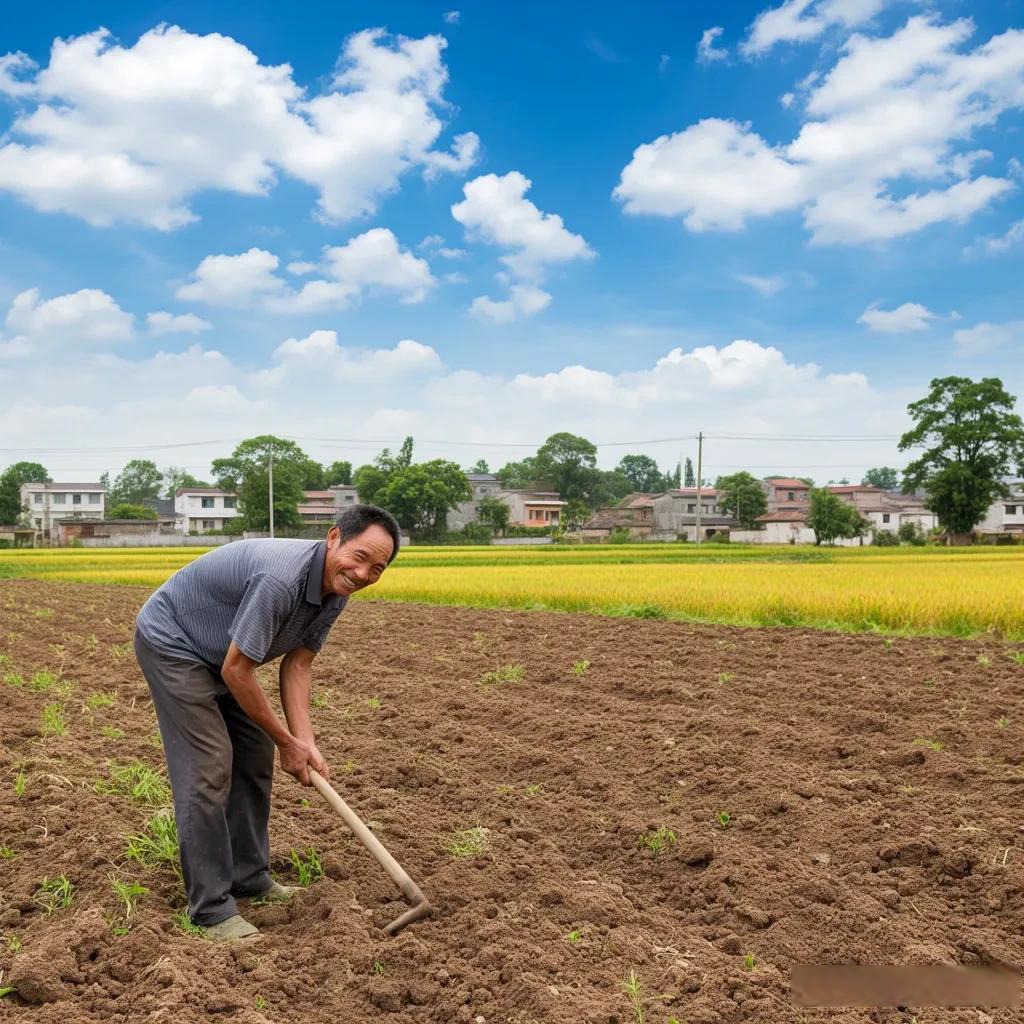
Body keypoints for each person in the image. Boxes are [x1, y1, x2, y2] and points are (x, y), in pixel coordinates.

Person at [133, 503, 400, 941]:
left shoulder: (336, 590)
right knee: (209, 769)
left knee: (254, 756)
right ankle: (212, 909)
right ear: (334, 538)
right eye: (360, 557)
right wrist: (286, 742)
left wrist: (303, 742)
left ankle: (250, 877)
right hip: (176, 644)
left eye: (378, 568)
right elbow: (238, 671)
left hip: (226, 654)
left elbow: (298, 666)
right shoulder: (281, 579)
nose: (364, 573)